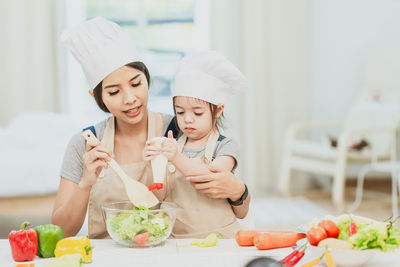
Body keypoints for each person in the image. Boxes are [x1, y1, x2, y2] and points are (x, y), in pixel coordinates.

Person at [52, 17, 248, 239]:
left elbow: (240, 210)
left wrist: (238, 191)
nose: (130, 98)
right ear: (97, 97)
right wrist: (86, 183)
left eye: (136, 84)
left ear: (147, 78)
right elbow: (61, 231)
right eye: (114, 92)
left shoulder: (182, 130)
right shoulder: (85, 144)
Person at [143, 51, 250, 238]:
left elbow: (211, 178)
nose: (188, 120)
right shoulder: (173, 146)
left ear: (218, 110)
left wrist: (175, 157)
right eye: (180, 112)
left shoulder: (226, 146)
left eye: (197, 113)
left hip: (220, 238)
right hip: (177, 237)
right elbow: (160, 198)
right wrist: (154, 166)